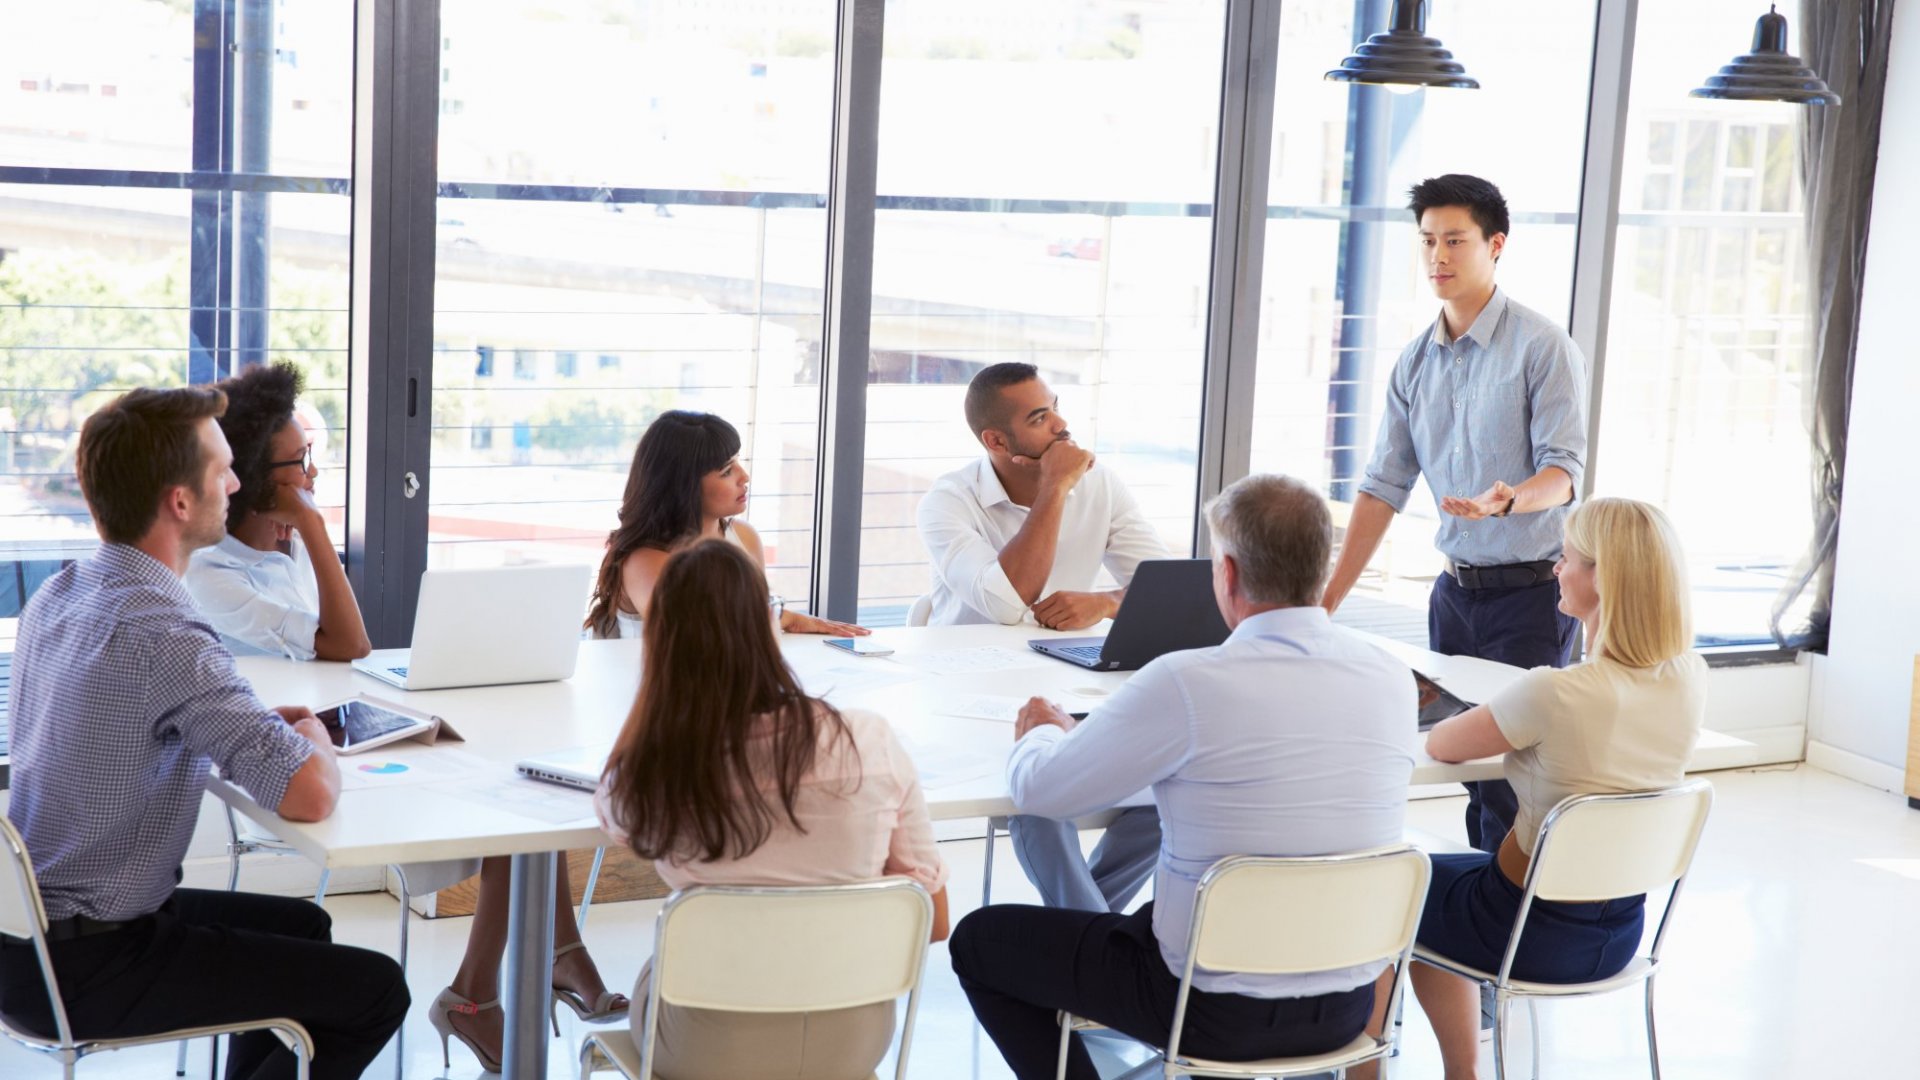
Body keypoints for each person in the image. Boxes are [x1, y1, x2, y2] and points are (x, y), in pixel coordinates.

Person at [177, 362, 627, 1072]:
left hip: (332, 730)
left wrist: (302, 529)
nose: (314, 476)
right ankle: (519, 978)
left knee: (517, 800)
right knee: (509, 816)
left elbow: (339, 648)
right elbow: (349, 643)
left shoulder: (282, 545)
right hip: (292, 758)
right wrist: (316, 529)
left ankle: (492, 989)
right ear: (256, 477)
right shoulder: (213, 572)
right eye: (299, 465)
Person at [949, 474, 1417, 1080]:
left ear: (1224, 572)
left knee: (981, 941)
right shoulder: (1390, 677)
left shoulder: (1189, 682)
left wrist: (1043, 728)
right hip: (1348, 1006)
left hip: (1204, 1010)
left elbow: (1040, 792)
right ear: (1321, 570)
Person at [0, 385, 408, 1079]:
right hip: (90, 964)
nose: (238, 483)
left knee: (305, 930)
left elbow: (131, 722)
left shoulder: (64, 592)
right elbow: (310, 795)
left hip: (26, 938)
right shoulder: (164, 630)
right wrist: (310, 734)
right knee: (373, 991)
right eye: (223, 470)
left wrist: (237, 728)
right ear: (180, 502)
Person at [595, 538, 950, 1080]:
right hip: (852, 1043)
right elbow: (933, 919)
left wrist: (653, 697)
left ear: (662, 643)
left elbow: (619, 819)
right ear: (768, 626)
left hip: (706, 1050)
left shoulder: (655, 768)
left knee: (663, 960)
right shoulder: (868, 742)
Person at [1321, 174, 1588, 883]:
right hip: (1453, 598)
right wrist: (1327, 600)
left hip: (1532, 595)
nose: (1438, 256)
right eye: (1428, 241)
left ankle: (1514, 931)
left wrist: (1510, 501)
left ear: (1495, 245)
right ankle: (1485, 920)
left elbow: (1564, 472)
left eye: (1455, 241)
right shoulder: (1414, 361)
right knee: (1467, 770)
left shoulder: (1542, 347)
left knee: (1519, 777)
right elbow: (1383, 486)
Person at [1410, 497, 1705, 1079]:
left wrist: (1510, 722)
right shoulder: (1689, 676)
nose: (1554, 570)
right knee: (1449, 872)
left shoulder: (1553, 692)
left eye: (1566, 557)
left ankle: (1444, 1073)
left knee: (1395, 883)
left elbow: (1443, 745)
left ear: (1604, 578)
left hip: (1522, 932)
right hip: (1622, 933)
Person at [916, 362, 1166, 913]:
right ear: (997, 441)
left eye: (1055, 406)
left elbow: (1165, 587)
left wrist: (1103, 602)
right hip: (971, 699)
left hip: (1071, 681)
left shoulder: (1100, 483)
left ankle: (1085, 938)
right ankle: (1093, 943)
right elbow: (1007, 604)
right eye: (1040, 417)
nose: (1061, 425)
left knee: (1165, 794)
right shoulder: (948, 502)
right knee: (1040, 805)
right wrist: (1054, 486)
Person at [584, 409, 866, 640]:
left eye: (738, 463)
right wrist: (783, 617)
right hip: (660, 700)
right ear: (684, 486)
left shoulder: (743, 536)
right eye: (727, 471)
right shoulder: (643, 561)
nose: (744, 477)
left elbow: (750, 629)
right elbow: (690, 636)